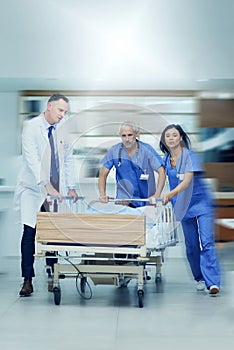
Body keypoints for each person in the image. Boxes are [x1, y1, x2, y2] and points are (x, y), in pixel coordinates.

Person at [14, 93, 78, 297]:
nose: (62, 115)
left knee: (52, 233)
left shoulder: (64, 129)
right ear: (49, 106)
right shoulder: (31, 127)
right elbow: (32, 161)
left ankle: (52, 273)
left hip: (55, 189)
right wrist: (46, 186)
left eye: (65, 112)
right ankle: (27, 280)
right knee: (29, 232)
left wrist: (71, 186)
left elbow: (68, 159)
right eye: (60, 110)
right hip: (32, 189)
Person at [159, 124, 221, 295]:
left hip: (202, 204)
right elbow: (161, 178)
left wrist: (169, 195)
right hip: (183, 206)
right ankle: (199, 278)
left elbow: (186, 182)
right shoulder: (165, 159)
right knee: (192, 245)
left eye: (174, 135)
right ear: (164, 140)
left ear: (180, 138)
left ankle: (213, 282)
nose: (171, 138)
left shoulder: (190, 156)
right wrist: (155, 195)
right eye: (167, 136)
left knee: (207, 241)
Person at [99, 121, 166, 207]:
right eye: (123, 135)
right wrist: (102, 194)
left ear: (136, 134)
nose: (127, 139)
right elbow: (103, 174)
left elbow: (161, 171)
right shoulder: (114, 151)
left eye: (130, 135)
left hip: (146, 200)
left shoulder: (146, 149)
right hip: (124, 201)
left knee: (147, 220)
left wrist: (157, 195)